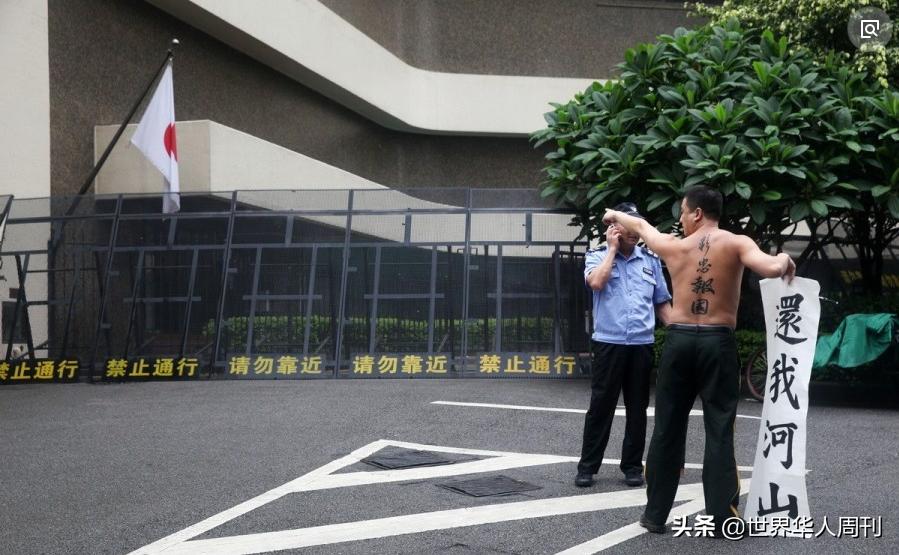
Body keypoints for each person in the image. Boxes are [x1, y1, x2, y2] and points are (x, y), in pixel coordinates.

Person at [601, 185, 795, 536]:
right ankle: (724, 519)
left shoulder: (673, 247)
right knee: (719, 429)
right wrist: (784, 260)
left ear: (697, 213)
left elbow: (642, 228)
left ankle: (655, 514)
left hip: (678, 343)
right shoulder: (737, 243)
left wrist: (612, 215)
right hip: (717, 344)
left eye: (682, 211)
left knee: (666, 430)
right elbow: (769, 267)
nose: (680, 218)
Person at [575, 202, 672, 489]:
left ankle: (631, 466)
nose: (635, 232)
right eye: (629, 225)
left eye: (637, 225)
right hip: (609, 344)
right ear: (615, 228)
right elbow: (596, 283)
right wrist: (612, 251)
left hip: (641, 345)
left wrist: (682, 332)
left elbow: (662, 303)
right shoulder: (597, 256)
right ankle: (587, 467)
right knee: (601, 406)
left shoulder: (651, 260)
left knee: (638, 408)